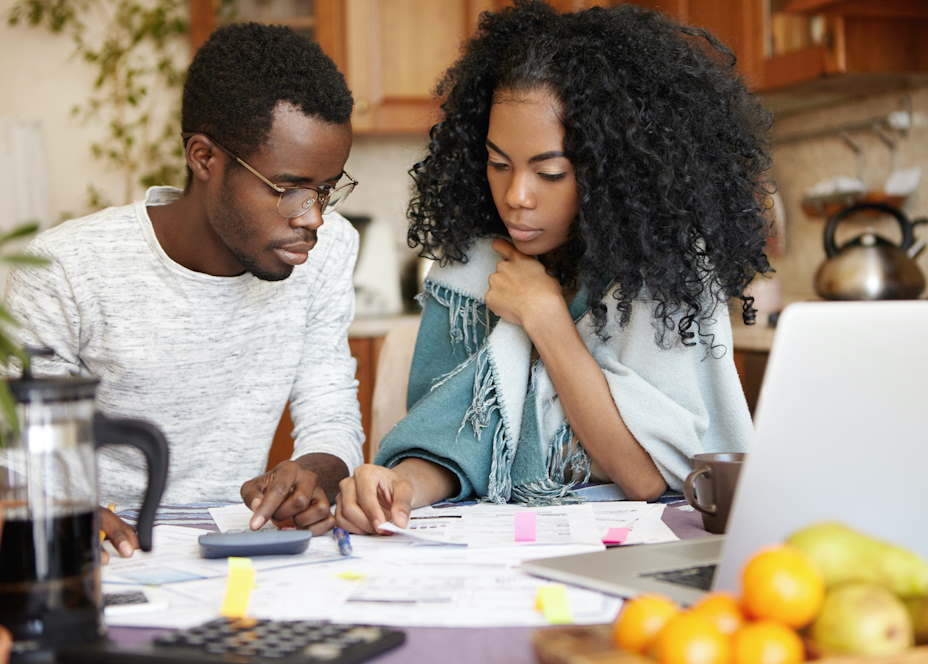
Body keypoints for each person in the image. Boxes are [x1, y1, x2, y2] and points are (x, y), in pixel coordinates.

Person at [334, 0, 772, 534]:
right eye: (499, 164)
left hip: (649, 544)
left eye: (550, 173)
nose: (516, 196)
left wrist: (545, 317)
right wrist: (401, 483)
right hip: (510, 542)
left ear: (610, 170)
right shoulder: (474, 267)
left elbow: (640, 477)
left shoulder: (666, 267)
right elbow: (454, 440)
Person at [4, 23, 364, 555]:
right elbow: (15, 458)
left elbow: (331, 409)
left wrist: (310, 475)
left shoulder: (329, 252)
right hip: (99, 560)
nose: (314, 218)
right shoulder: (64, 270)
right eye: (289, 191)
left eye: (327, 190)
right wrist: (66, 517)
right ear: (203, 158)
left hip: (241, 553)